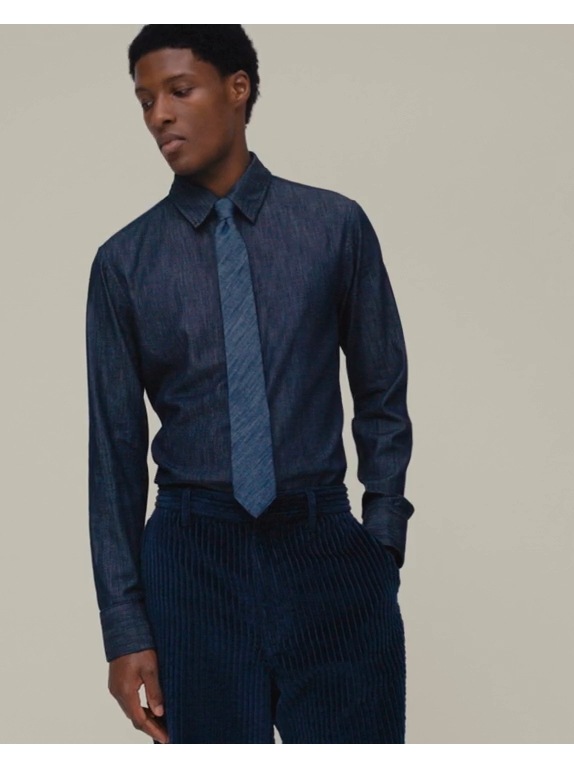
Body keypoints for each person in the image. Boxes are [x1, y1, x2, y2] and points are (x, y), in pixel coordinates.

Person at [85, 24, 415, 745]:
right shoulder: (124, 264)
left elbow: (382, 392)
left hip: (326, 554)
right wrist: (125, 626)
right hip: (191, 568)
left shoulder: (334, 227)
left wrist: (381, 540)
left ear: (238, 89)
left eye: (179, 90)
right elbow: (113, 457)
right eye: (145, 100)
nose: (159, 115)